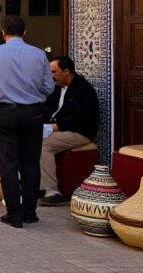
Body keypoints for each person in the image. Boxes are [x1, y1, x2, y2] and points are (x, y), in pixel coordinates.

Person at [0, 15, 55, 228]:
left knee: (8, 163)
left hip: (4, 113)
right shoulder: (39, 54)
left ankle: (14, 214)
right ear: (25, 32)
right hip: (33, 113)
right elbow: (49, 88)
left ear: (3, 33)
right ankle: (30, 212)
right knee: (31, 163)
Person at [38, 56, 100, 206]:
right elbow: (48, 109)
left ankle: (52, 191)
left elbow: (80, 118)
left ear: (67, 71)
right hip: (58, 129)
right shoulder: (57, 88)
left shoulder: (83, 89)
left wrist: (54, 127)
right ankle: (32, 184)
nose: (51, 76)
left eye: (54, 72)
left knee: (43, 145)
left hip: (79, 132)